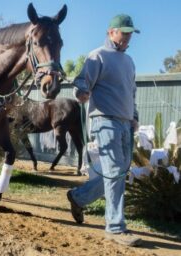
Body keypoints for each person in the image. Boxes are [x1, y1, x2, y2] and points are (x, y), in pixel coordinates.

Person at [67, 14, 142, 247]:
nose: (128, 36)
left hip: (124, 123)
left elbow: (132, 93)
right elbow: (81, 82)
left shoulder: (129, 62)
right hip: (104, 121)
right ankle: (115, 227)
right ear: (111, 32)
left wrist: (135, 117)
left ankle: (78, 198)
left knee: (118, 172)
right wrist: (81, 93)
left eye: (130, 33)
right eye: (124, 32)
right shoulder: (97, 55)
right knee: (115, 172)